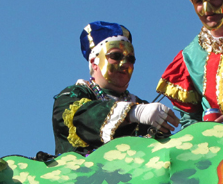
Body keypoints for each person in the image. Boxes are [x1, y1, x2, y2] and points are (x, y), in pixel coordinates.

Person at [52, 21, 179, 155]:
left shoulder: (144, 107)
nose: (125, 64)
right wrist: (133, 113)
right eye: (116, 56)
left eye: (130, 59)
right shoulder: (72, 96)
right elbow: (82, 119)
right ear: (94, 62)